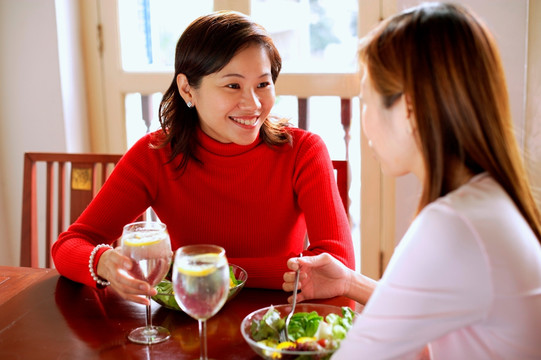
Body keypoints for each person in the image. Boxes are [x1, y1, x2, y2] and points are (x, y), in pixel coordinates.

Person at [283, 2, 541, 359]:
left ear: (408, 108)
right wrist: (349, 283)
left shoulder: (453, 225)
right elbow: (438, 315)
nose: (364, 120)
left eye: (366, 100)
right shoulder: (487, 198)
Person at [52, 10, 354, 305]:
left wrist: (191, 270)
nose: (253, 103)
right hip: (188, 326)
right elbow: (69, 246)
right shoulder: (155, 155)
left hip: (279, 327)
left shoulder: (303, 150)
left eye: (263, 84)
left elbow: (336, 267)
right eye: (233, 85)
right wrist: (103, 261)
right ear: (187, 89)